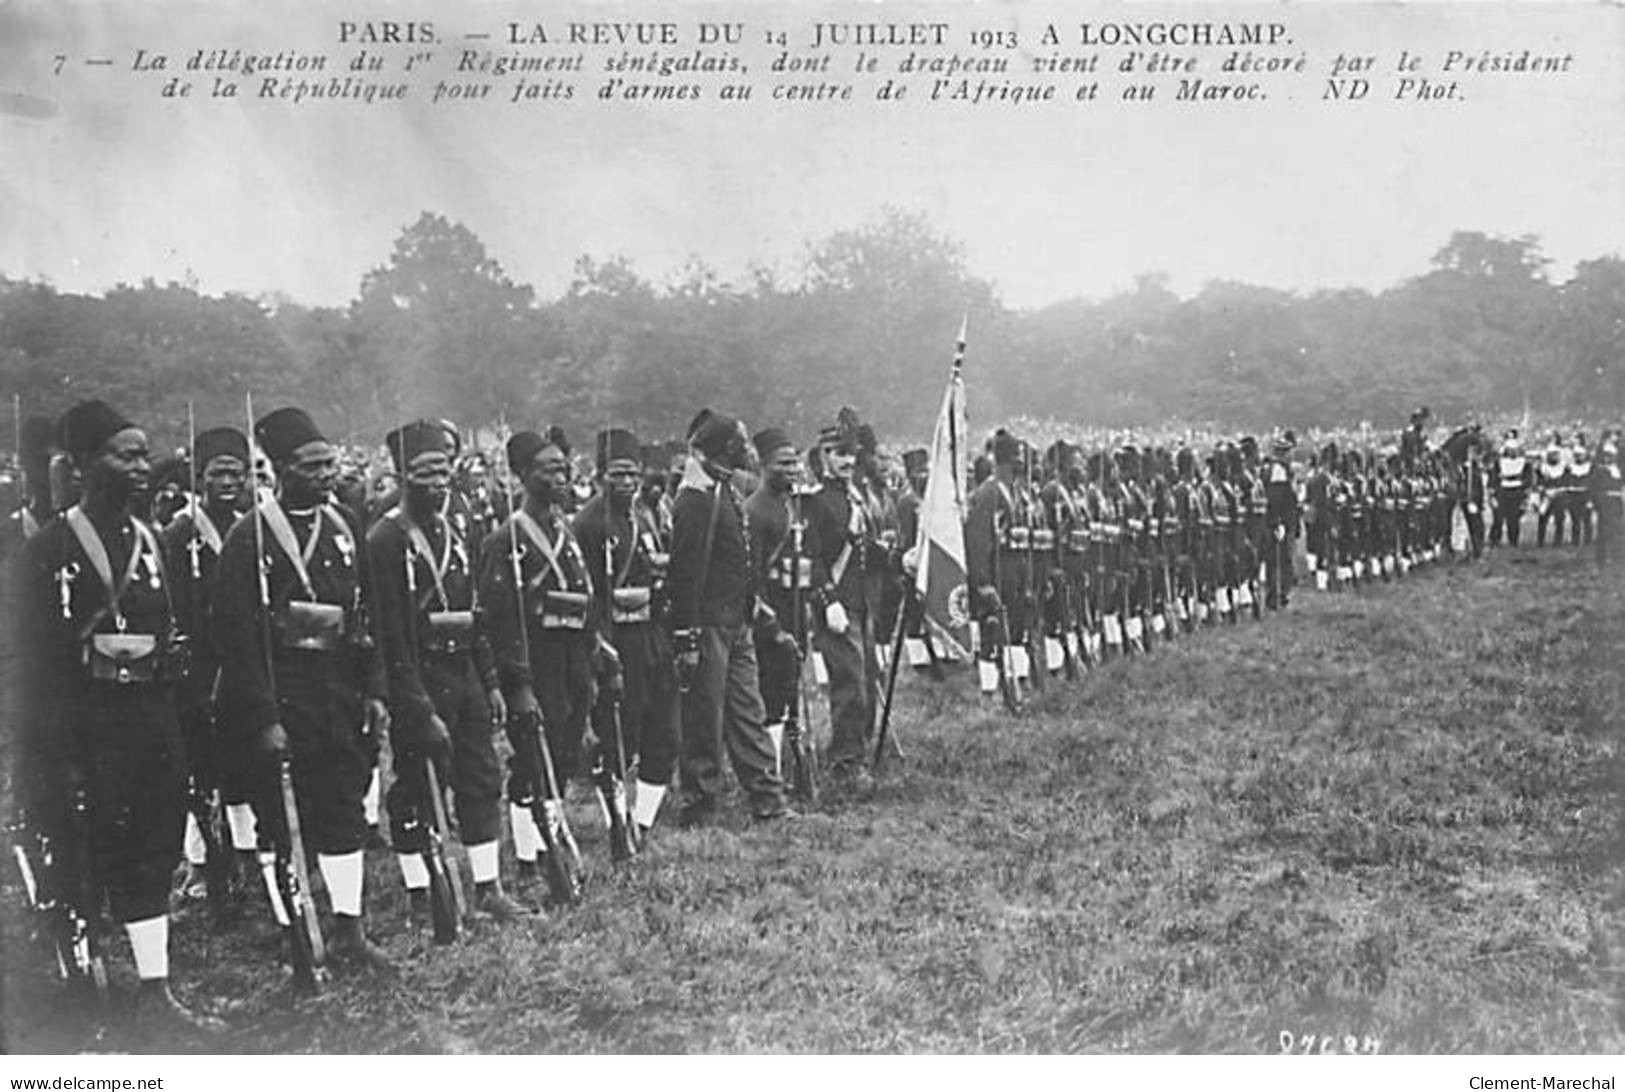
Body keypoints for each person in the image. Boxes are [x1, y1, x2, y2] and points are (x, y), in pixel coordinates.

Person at [15, 400, 223, 1033]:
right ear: (81, 466)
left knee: (153, 848)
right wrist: (53, 755)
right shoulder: (47, 549)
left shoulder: (153, 540)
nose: (141, 467)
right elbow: (31, 665)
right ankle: (86, 996)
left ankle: (156, 991)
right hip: (85, 727)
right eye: (123, 455)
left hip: (151, 722)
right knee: (85, 857)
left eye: (143, 454)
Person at [214, 406, 394, 972]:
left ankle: (350, 929)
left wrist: (374, 690)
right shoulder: (250, 536)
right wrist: (263, 717)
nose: (324, 475)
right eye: (311, 466)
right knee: (283, 820)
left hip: (339, 692)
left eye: (328, 463)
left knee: (343, 805)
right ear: (280, 469)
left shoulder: (345, 524)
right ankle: (295, 930)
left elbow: (369, 616)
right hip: (281, 696)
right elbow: (236, 638)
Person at [368, 420, 529, 923]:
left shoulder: (458, 528)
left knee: (481, 776)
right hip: (419, 677)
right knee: (417, 782)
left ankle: (488, 887)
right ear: (401, 475)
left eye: (443, 471)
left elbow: (476, 610)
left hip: (465, 674)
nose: (437, 483)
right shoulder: (385, 539)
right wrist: (415, 705)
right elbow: (391, 634)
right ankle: (422, 891)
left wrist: (491, 681)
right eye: (423, 473)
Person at [478, 427, 601, 887]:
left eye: (563, 468)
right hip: (533, 665)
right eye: (549, 469)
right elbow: (499, 620)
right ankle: (529, 863)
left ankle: (552, 846)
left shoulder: (564, 531)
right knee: (532, 762)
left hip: (571, 660)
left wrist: (594, 652)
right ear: (523, 476)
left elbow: (583, 595)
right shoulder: (505, 541)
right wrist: (519, 684)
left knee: (564, 757)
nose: (561, 475)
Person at [667, 412, 791, 826]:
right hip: (707, 625)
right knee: (705, 715)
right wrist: (686, 635)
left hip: (736, 621)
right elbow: (686, 573)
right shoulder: (696, 498)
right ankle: (699, 805)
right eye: (740, 442)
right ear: (724, 448)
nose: (748, 449)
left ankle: (768, 800)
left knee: (747, 711)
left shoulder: (724, 488)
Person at [159, 426, 259, 911]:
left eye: (237, 473)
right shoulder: (179, 532)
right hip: (197, 669)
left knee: (242, 763)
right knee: (199, 768)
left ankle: (245, 853)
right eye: (219, 473)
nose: (229, 482)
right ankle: (200, 862)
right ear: (199, 477)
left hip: (240, 665)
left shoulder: (252, 526)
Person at [573, 428, 680, 839]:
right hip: (614, 641)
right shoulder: (586, 523)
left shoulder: (645, 516)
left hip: (652, 633)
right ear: (600, 474)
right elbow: (586, 593)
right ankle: (617, 821)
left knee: (664, 732)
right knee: (620, 734)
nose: (627, 483)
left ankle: (642, 822)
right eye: (617, 474)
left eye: (632, 474)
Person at [1490, 430, 1532, 547]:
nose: (1512, 452)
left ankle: (1513, 541)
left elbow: (1528, 479)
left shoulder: (1524, 463)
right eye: (1510, 450)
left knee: (1513, 519)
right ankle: (1495, 540)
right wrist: (1493, 492)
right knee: (1498, 517)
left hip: (1517, 491)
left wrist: (1525, 491)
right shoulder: (1499, 463)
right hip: (1503, 490)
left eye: (1515, 450)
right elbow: (1493, 479)